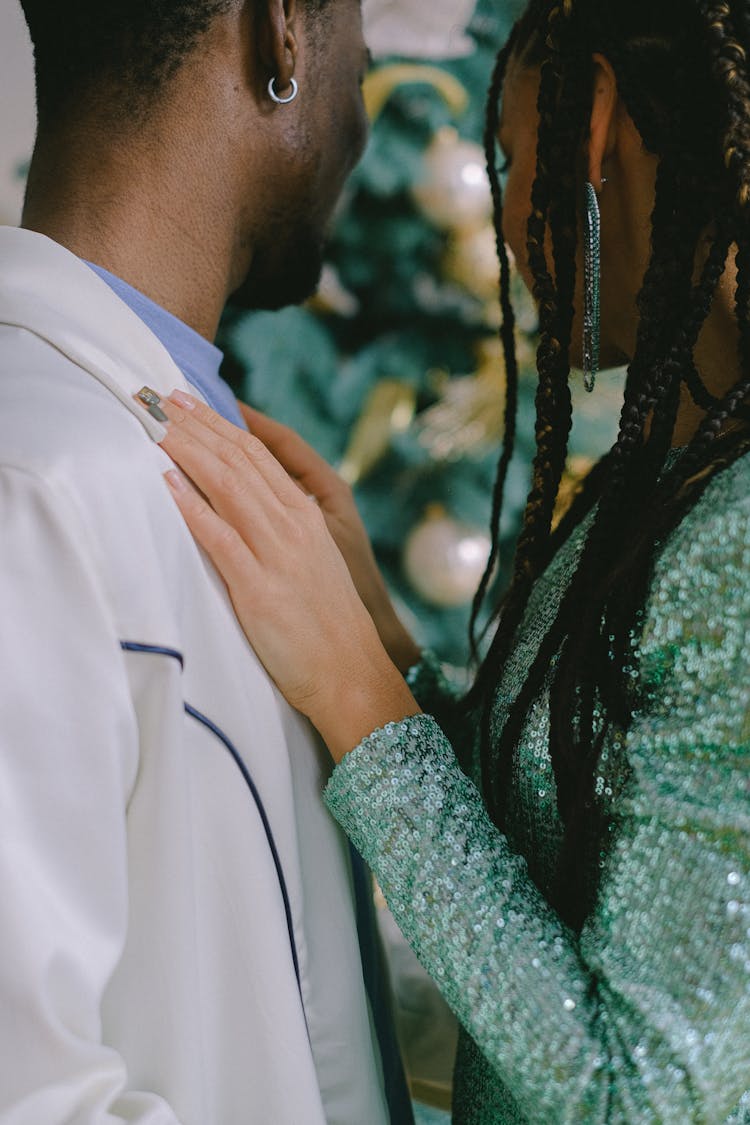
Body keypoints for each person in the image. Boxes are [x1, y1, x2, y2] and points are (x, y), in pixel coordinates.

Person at [156, 0, 750, 1121]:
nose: (504, 218)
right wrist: (383, 639)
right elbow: (567, 851)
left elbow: (642, 1093)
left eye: (515, 156)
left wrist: (357, 698)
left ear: (596, 126)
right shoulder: (679, 481)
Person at [0, 1, 415, 1122]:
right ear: (283, 30)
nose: (359, 122)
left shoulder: (185, 452)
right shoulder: (34, 479)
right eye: (359, 67)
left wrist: (388, 686)